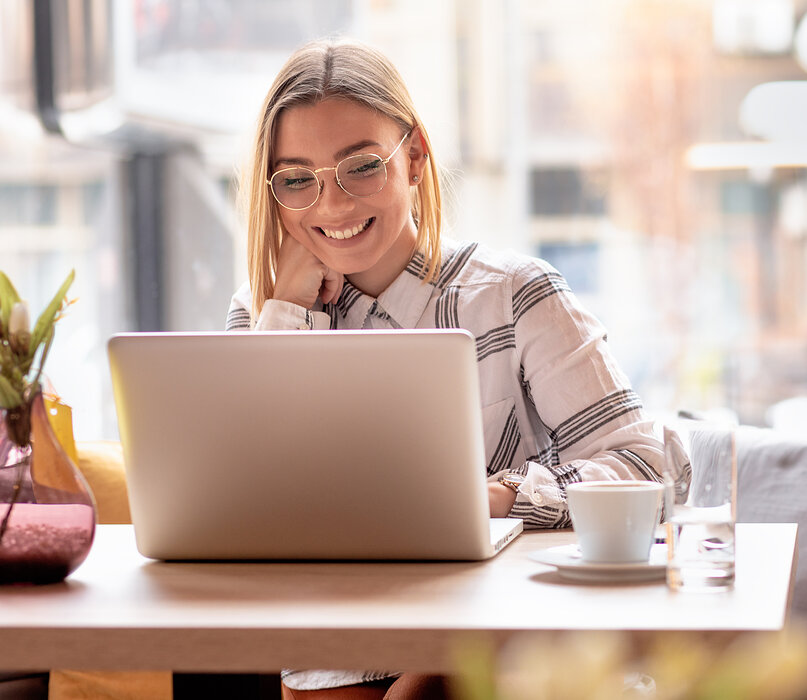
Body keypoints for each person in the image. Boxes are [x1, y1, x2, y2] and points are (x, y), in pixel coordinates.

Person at [226, 38, 666, 700]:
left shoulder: (513, 292)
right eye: (297, 179)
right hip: (333, 653)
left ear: (413, 157)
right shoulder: (261, 313)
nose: (333, 206)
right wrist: (287, 310)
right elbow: (241, 509)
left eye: (360, 167)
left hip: (496, 646)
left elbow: (647, 467)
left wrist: (499, 497)